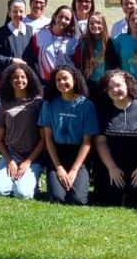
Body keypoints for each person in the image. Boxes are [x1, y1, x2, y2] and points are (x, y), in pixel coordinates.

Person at [93, 70, 137, 208]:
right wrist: (112, 167)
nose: (114, 90)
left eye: (118, 85)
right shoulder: (103, 111)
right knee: (111, 199)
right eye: (110, 88)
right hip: (113, 166)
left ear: (129, 85)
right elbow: (100, 141)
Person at [39, 65, 98, 205]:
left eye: (65, 78)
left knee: (77, 200)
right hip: (57, 155)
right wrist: (58, 167)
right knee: (57, 197)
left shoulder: (87, 106)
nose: (61, 82)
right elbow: (48, 137)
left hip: (78, 155)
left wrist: (74, 170)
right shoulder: (49, 104)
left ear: (75, 80)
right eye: (58, 79)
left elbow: (87, 141)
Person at [0, 63, 45, 199]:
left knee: (22, 193)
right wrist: (9, 160)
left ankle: (33, 181)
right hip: (11, 154)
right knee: (0, 191)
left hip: (33, 156)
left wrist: (28, 162)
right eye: (15, 77)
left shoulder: (38, 103)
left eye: (23, 77)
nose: (19, 80)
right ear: (10, 81)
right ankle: (13, 177)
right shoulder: (5, 105)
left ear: (29, 79)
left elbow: (44, 139)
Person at [108, 7, 137, 106]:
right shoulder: (120, 39)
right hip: (127, 82)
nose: (136, 22)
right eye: (133, 19)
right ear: (128, 22)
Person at [0, 0, 39, 74]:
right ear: (9, 13)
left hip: (27, 77)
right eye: (15, 11)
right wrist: (11, 60)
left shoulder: (31, 31)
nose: (18, 14)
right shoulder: (2, 32)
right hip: (9, 77)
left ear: (25, 13)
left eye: (21, 11)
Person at [33, 5, 76, 83]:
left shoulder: (73, 40)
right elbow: (34, 58)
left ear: (70, 22)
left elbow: (77, 62)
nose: (63, 20)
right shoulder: (40, 34)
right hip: (46, 81)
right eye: (60, 16)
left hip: (66, 82)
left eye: (67, 19)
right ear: (55, 16)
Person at [73, 11, 111, 85]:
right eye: (91, 23)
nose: (95, 25)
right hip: (89, 83)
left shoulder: (111, 43)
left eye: (98, 22)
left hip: (107, 83)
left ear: (104, 25)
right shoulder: (83, 43)